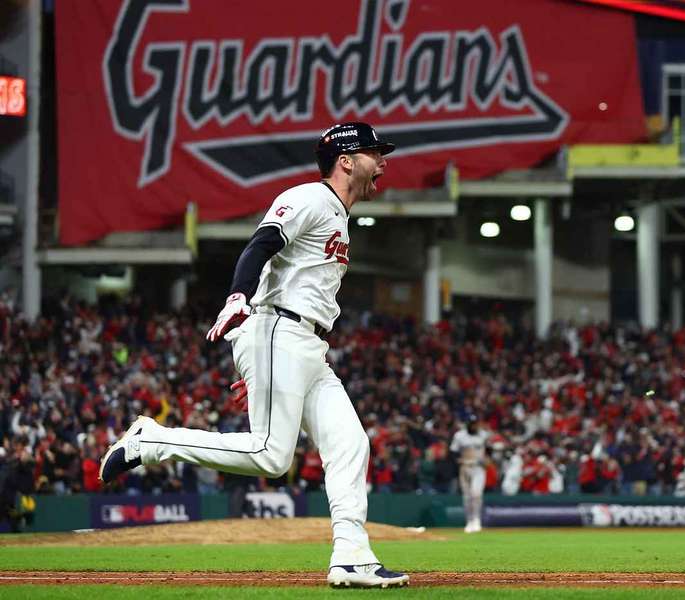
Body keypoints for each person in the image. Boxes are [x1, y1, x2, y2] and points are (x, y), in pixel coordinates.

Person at [99, 122, 409, 588]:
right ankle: (151, 441)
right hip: (277, 326)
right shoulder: (310, 197)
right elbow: (261, 243)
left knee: (350, 443)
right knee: (270, 455)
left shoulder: (340, 213)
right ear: (346, 161)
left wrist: (268, 367)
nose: (382, 162)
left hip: (304, 344)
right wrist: (239, 299)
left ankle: (352, 558)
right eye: (373, 153)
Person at [450, 415, 490, 533]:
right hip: (465, 467)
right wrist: (458, 460)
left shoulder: (483, 434)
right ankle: (469, 521)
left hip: (478, 468)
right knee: (467, 497)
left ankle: (477, 520)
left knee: (476, 494)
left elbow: (489, 449)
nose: (474, 426)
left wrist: (488, 458)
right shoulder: (460, 436)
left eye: (476, 424)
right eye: (472, 424)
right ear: (468, 425)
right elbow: (453, 452)